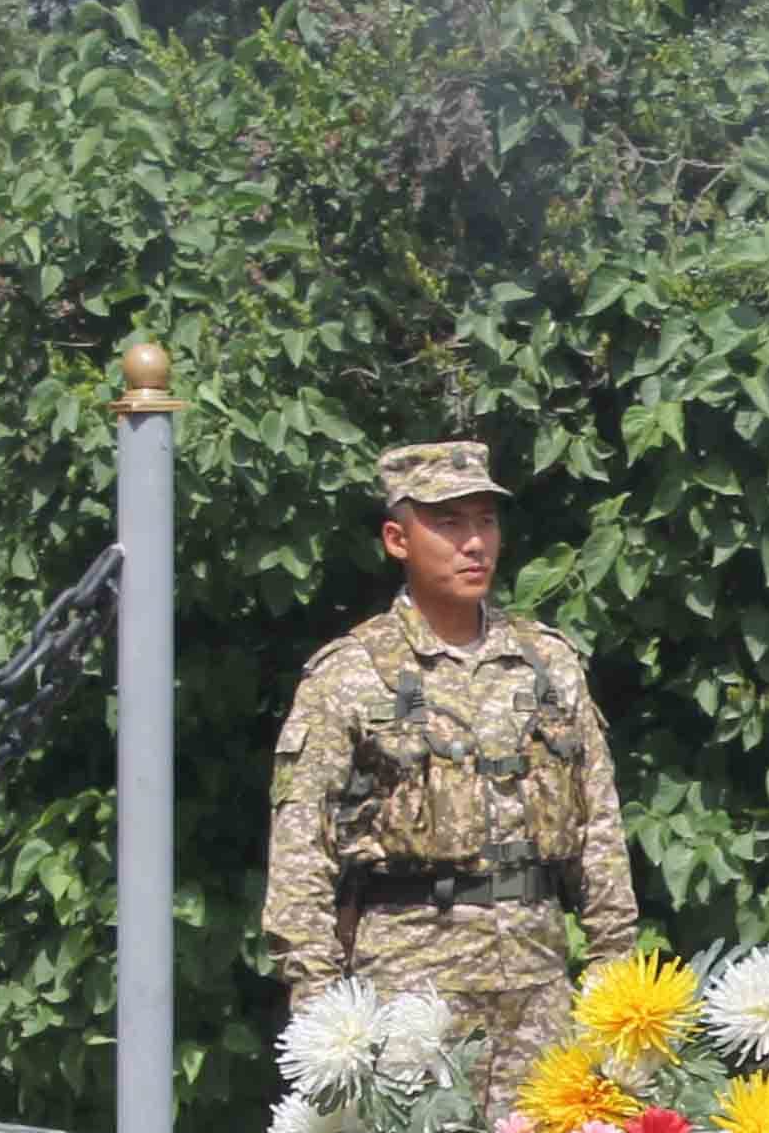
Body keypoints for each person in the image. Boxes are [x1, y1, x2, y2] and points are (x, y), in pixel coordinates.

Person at [260, 438, 639, 1076]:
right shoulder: (351, 674)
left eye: (486, 521)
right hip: (406, 996)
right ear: (397, 540)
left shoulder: (548, 663)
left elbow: (598, 827)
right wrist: (322, 1009)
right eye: (449, 523)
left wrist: (613, 973)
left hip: (537, 997)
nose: (475, 543)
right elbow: (301, 854)